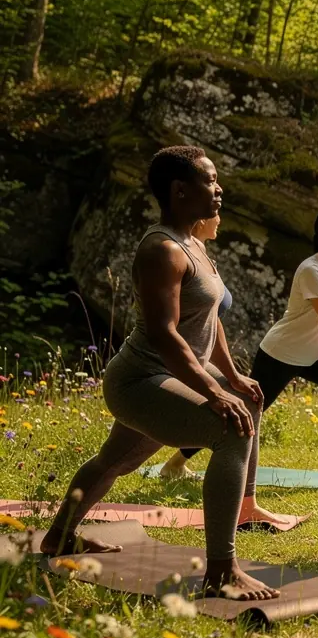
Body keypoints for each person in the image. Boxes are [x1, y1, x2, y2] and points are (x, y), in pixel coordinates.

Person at [39, 146, 277, 601]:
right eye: (210, 181)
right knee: (232, 430)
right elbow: (166, 336)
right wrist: (213, 392)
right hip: (140, 381)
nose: (219, 188)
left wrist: (231, 375)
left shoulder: (195, 244)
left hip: (166, 376)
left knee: (116, 460)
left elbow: (211, 320)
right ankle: (221, 572)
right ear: (180, 190)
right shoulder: (162, 250)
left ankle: (58, 538)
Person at [165, 209, 318, 509]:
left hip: (315, 355)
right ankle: (175, 463)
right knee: (245, 411)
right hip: (280, 354)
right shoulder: (311, 270)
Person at [160, 212, 231, 482]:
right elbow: (165, 323)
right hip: (177, 361)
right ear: (200, 220)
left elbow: (213, 318)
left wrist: (232, 373)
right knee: (121, 456)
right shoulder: (176, 253)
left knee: (234, 405)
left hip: (200, 358)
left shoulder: (202, 252)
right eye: (216, 215)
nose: (220, 220)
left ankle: (176, 466)